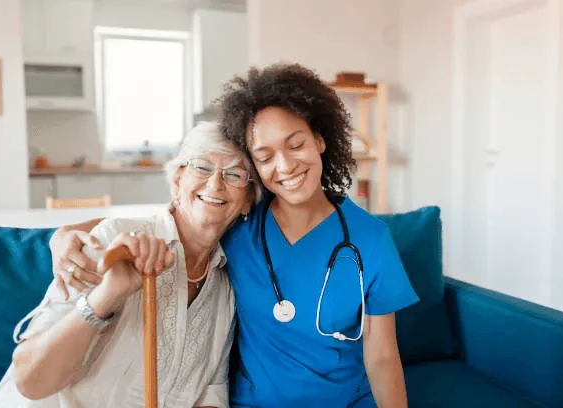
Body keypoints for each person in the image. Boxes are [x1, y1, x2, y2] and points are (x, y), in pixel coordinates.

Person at [48, 63, 419, 408]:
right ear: (255, 167)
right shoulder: (240, 225)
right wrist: (64, 233)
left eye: (296, 145)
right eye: (265, 155)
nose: (286, 166)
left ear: (320, 140)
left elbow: (382, 355)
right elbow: (163, 219)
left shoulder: (371, 239)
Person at [0, 121, 261, 408]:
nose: (215, 183)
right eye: (202, 167)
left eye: (234, 174)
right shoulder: (112, 240)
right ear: (177, 180)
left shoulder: (226, 287)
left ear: (247, 200)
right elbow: (30, 381)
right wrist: (107, 294)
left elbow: (211, 393)